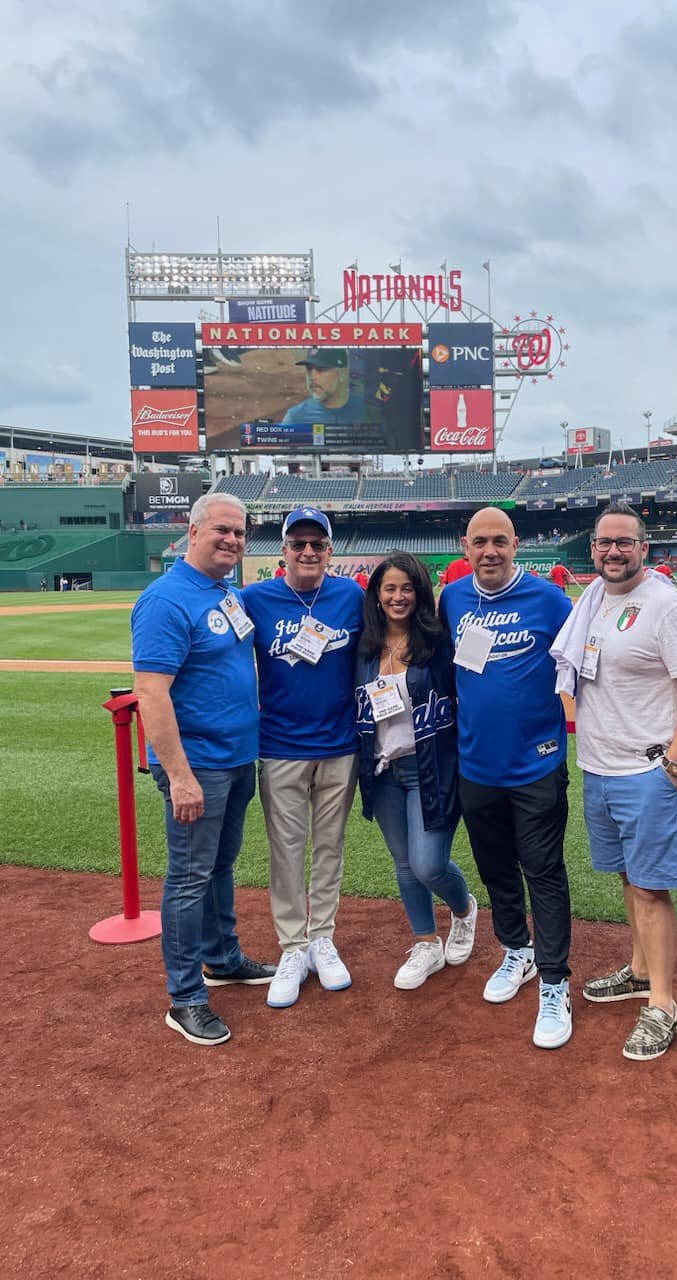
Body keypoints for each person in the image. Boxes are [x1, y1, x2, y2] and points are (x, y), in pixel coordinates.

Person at [552, 503, 677, 1061]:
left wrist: (672, 765)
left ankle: (663, 1005)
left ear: (644, 548)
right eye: (604, 543)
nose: (613, 551)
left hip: (649, 769)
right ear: (593, 549)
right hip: (600, 766)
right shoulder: (594, 601)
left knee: (650, 888)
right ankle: (642, 972)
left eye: (625, 542)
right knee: (629, 877)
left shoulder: (669, 607)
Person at [132, 493, 275, 1047]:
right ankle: (186, 997)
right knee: (189, 877)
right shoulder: (166, 600)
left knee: (219, 867)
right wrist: (181, 775)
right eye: (222, 531)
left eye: (240, 533)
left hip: (238, 759)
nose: (233, 541)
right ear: (191, 532)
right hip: (199, 767)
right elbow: (151, 693)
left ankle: (222, 959)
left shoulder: (225, 593)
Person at [439, 508, 574, 1050]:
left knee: (543, 870)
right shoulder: (451, 599)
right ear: (464, 547)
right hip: (476, 765)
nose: (489, 551)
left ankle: (555, 980)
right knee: (496, 868)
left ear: (516, 543)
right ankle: (516, 951)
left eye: (499, 541)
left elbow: (589, 662)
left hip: (537, 762)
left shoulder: (549, 600)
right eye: (479, 542)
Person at [242, 506, 363, 1010]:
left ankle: (322, 938)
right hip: (280, 746)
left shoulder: (352, 596)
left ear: (330, 550)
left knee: (329, 848)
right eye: (298, 544)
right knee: (287, 851)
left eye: (318, 544)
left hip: (340, 745)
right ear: (284, 551)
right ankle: (293, 947)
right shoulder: (254, 599)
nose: (308, 552)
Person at [355, 552, 478, 989]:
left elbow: (473, 687)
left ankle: (464, 910)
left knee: (428, 864)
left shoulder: (438, 641)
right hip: (384, 768)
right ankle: (426, 942)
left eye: (407, 588)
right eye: (389, 588)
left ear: (420, 593)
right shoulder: (366, 645)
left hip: (432, 767)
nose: (398, 596)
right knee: (405, 863)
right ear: (377, 594)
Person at [281, 348, 365, 426]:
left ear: (342, 374)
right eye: (309, 369)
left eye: (320, 369)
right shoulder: (296, 418)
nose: (312, 376)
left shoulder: (367, 409)